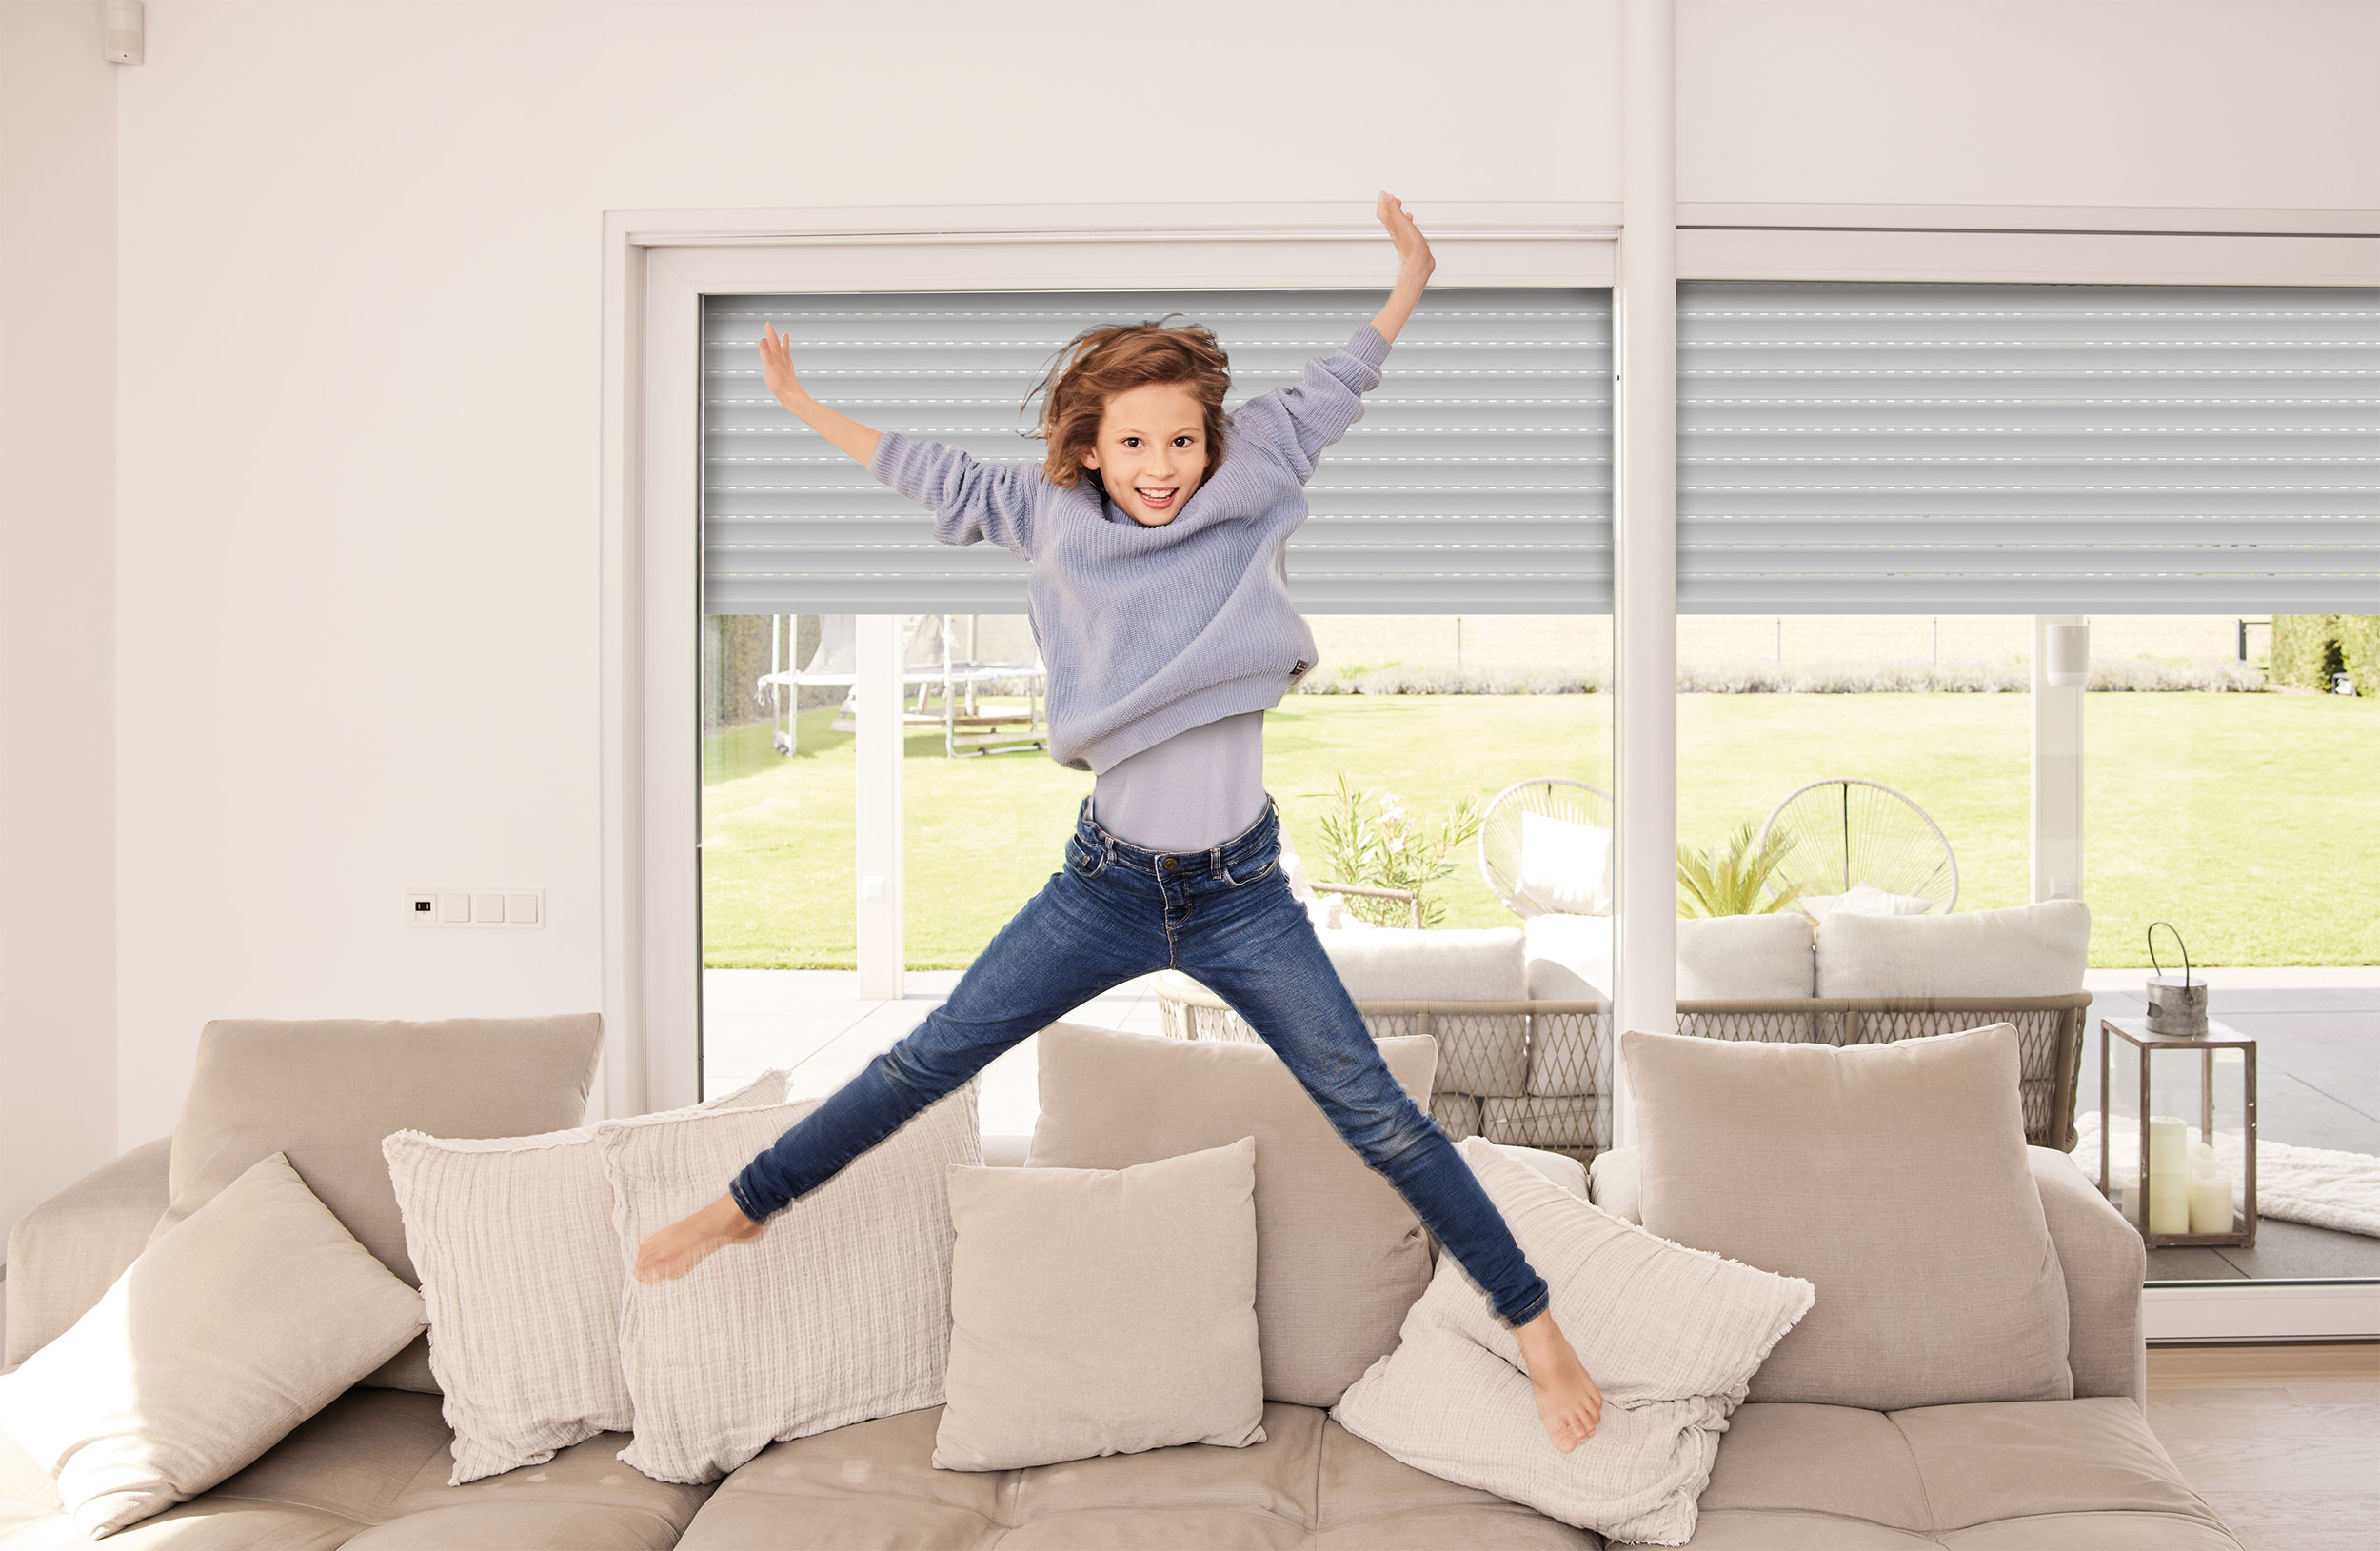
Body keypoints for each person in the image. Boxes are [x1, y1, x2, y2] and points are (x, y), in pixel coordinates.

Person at [635, 193, 1604, 1452]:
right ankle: (750, 1202)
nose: (1162, 467)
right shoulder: (1049, 520)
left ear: (1215, 443)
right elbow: (933, 471)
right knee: (930, 1056)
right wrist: (807, 406)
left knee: (1377, 1115)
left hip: (1241, 894)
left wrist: (1410, 277)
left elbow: (1336, 383)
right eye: (1135, 442)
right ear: (1089, 447)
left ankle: (1534, 1322)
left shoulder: (1253, 473)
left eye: (1183, 442)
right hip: (1103, 883)